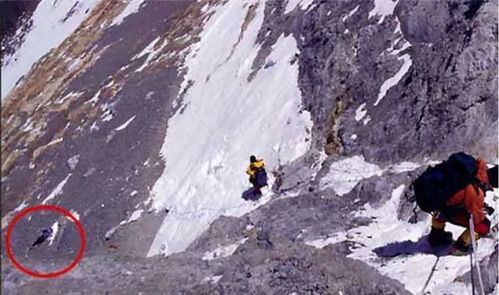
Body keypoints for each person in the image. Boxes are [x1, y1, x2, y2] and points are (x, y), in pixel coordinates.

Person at [425, 156, 497, 256]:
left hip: (437, 201)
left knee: (443, 209)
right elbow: (476, 220)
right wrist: (480, 210)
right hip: (447, 207)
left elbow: (461, 195)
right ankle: (460, 247)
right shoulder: (476, 191)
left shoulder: (473, 172)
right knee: (483, 226)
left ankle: (436, 237)